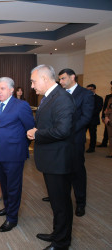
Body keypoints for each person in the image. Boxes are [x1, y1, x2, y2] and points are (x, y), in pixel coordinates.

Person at [27, 64, 75, 250]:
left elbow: (63, 130)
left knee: (61, 203)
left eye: (33, 81)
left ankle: (62, 242)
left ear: (45, 79)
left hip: (59, 160)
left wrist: (37, 134)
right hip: (50, 159)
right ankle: (58, 233)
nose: (32, 86)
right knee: (56, 202)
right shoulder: (49, 97)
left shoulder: (62, 98)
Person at [0, 77, 34, 232]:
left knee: (13, 187)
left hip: (14, 154)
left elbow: (30, 130)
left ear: (11, 90)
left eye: (3, 88)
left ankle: (12, 219)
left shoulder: (21, 106)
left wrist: (19, 147)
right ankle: (8, 209)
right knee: (5, 185)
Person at [57, 68, 93, 217]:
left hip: (75, 139)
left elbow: (86, 117)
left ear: (73, 77)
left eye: (63, 78)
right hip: (59, 140)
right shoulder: (60, 94)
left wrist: (68, 130)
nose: (61, 82)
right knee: (61, 170)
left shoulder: (86, 94)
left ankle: (80, 202)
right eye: (60, 79)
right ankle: (61, 196)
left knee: (77, 171)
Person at [85, 84, 103, 153]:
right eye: (87, 90)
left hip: (93, 120)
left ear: (94, 89)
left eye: (90, 89)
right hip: (84, 120)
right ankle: (80, 146)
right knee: (82, 134)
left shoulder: (99, 98)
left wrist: (87, 115)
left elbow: (98, 109)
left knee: (92, 135)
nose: (88, 91)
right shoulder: (84, 97)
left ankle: (92, 148)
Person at [98, 82, 112, 147]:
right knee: (107, 132)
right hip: (108, 117)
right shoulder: (108, 97)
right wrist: (103, 116)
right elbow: (105, 107)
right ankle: (104, 143)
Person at [104, 87, 112, 158]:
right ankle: (111, 152)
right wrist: (106, 116)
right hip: (110, 120)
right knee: (110, 136)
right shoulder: (110, 99)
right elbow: (108, 108)